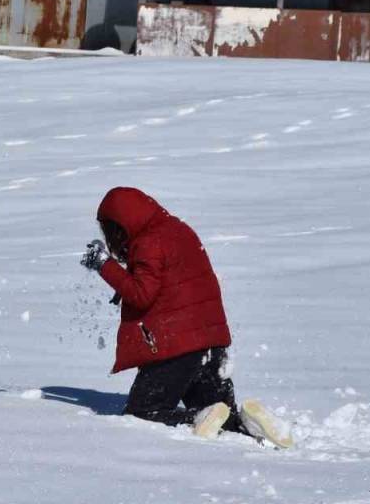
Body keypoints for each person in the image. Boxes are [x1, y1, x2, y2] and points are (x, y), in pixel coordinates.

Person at [80, 187, 293, 448]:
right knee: (219, 417)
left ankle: (195, 417)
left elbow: (141, 294)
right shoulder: (177, 229)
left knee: (143, 414)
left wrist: (104, 264)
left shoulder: (149, 242)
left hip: (176, 349)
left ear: (121, 225)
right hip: (212, 344)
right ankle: (246, 422)